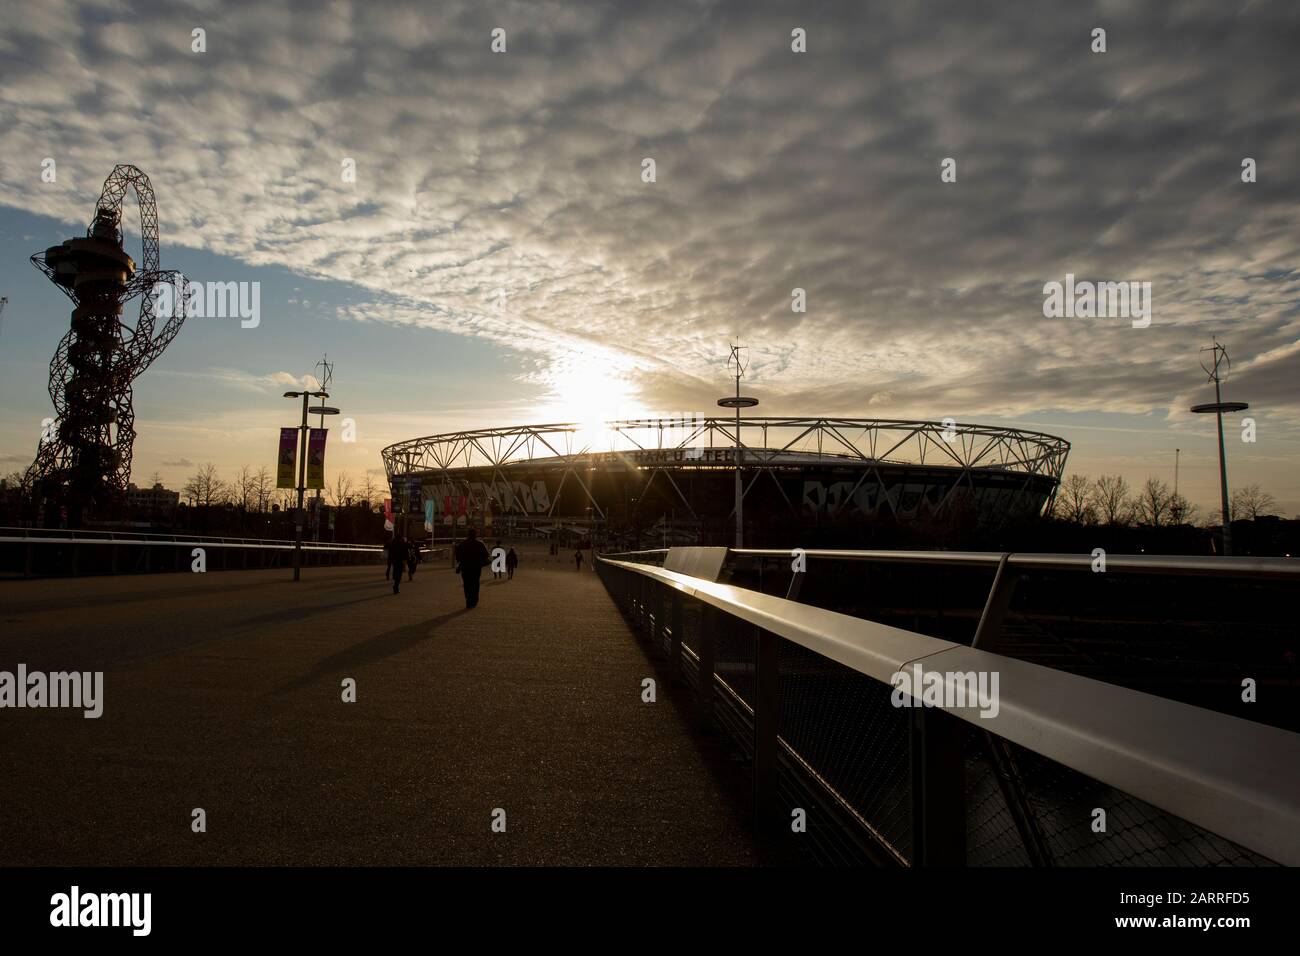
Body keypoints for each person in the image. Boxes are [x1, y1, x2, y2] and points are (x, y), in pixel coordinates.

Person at [454, 528, 490, 609]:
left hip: (465, 567)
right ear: (476, 535)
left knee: (467, 584)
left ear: (468, 534)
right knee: (475, 583)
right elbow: (486, 555)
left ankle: (468, 600)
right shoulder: (480, 544)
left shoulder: (462, 544)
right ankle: (474, 600)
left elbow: (458, 557)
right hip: (476, 567)